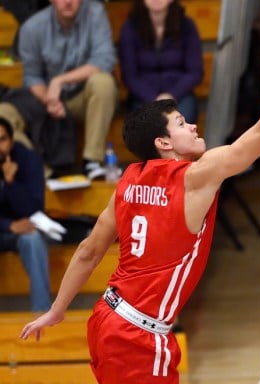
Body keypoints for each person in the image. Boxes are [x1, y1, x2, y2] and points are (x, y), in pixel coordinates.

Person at [19, 25, 260, 383]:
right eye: (182, 123)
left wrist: (58, 310)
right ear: (164, 143)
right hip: (137, 338)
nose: (194, 126)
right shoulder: (195, 177)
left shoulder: (127, 181)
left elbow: (89, 251)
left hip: (107, 319)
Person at [15, 0, 118, 177]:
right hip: (46, 101)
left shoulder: (95, 13)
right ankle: (41, 171)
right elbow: (32, 77)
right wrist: (49, 99)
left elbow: (105, 60)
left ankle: (92, 161)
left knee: (104, 82)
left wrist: (59, 81)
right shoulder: (32, 27)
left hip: (82, 98)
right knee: (6, 115)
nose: (68, 1)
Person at [118, 0, 203, 123]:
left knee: (181, 121)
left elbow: (194, 72)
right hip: (143, 97)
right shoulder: (130, 28)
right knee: (147, 124)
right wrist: (154, 99)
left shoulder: (187, 26)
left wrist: (171, 95)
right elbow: (130, 76)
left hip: (179, 95)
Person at [0, 116, 50, 312]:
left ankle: (42, 314)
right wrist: (8, 226)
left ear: (11, 141)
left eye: (2, 139)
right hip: (7, 227)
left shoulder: (28, 159)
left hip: (21, 230)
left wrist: (11, 182)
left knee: (33, 238)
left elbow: (34, 209)